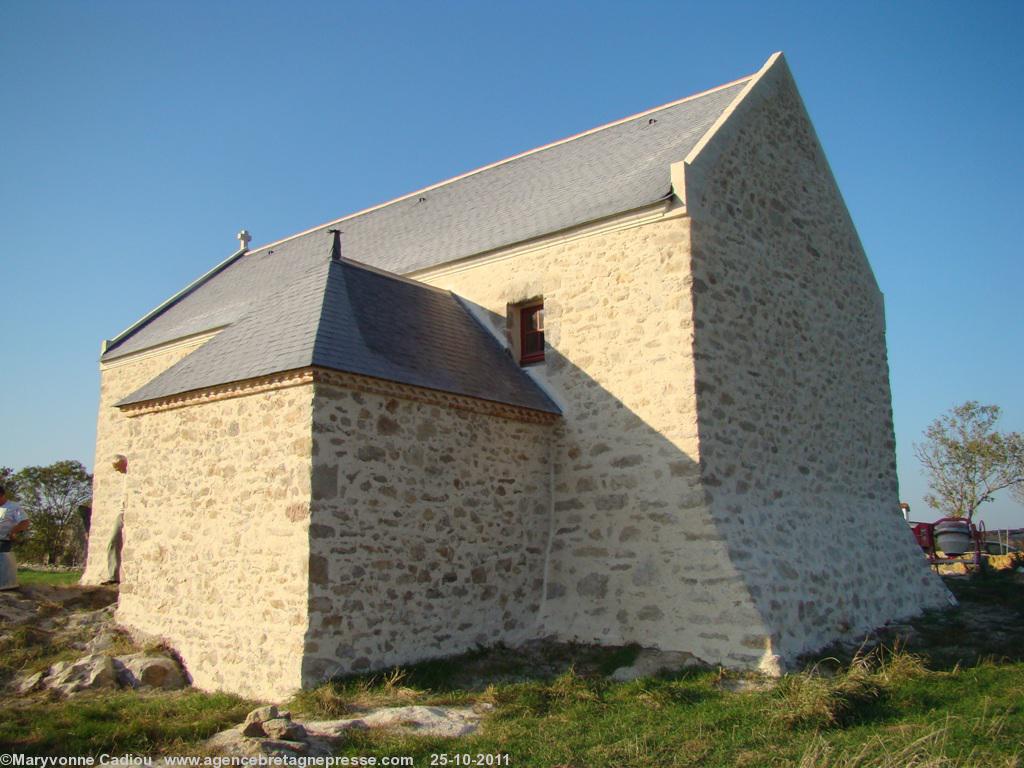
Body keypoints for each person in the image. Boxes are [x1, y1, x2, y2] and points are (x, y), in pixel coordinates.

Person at [0, 484, 30, 591]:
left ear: (2, 495)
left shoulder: (13, 507)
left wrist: (14, 531)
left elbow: (25, 522)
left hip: (3, 540)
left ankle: (5, 585)